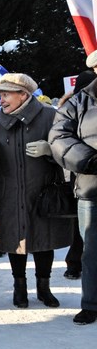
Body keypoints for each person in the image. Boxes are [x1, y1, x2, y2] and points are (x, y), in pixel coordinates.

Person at [0, 74, 73, 309]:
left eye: (6, 94)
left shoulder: (51, 116)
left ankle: (44, 287)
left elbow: (68, 151)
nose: (1, 99)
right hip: (9, 194)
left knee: (44, 240)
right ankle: (19, 287)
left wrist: (50, 150)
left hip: (42, 192)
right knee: (15, 241)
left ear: (24, 94)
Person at [50, 52, 97, 325]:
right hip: (92, 188)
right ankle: (91, 303)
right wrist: (90, 160)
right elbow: (59, 137)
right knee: (91, 250)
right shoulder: (78, 102)